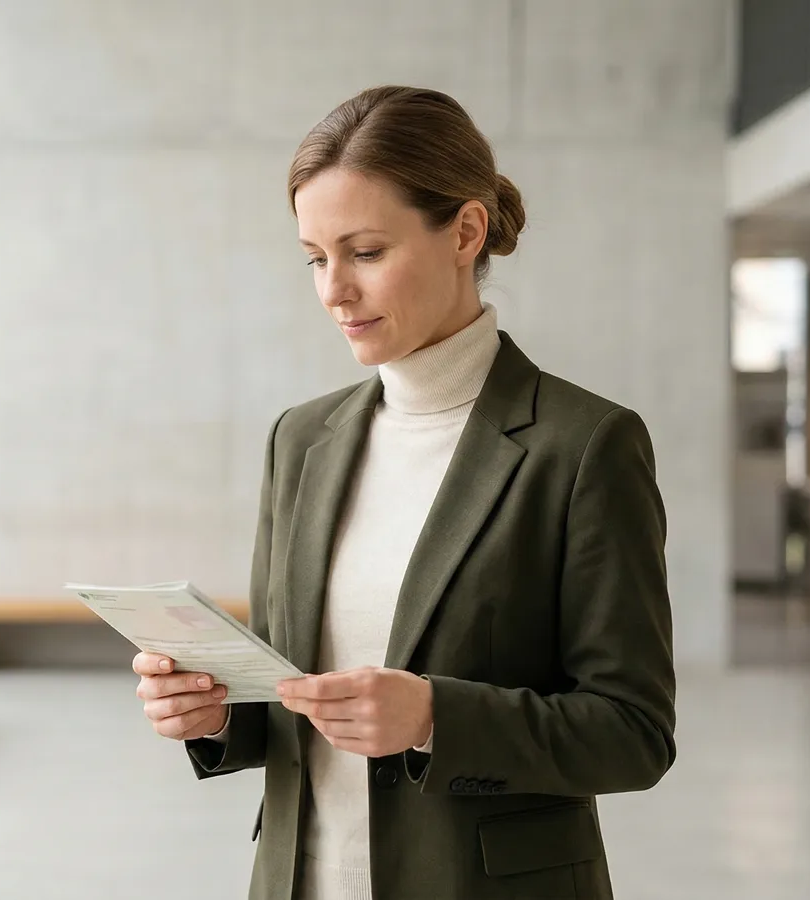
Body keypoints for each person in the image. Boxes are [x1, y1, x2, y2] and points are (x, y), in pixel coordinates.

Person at [132, 85, 676, 900]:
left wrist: (434, 718)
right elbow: (289, 693)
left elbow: (633, 734)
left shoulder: (584, 446)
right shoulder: (301, 440)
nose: (333, 290)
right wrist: (214, 714)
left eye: (366, 252)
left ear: (465, 231)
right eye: (317, 258)